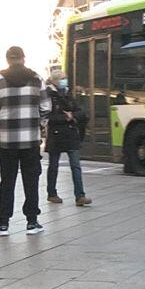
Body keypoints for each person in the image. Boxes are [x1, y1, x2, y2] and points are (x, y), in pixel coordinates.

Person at [0, 46, 51, 236]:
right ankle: (32, 222)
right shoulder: (36, 79)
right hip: (30, 139)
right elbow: (46, 107)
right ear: (23, 58)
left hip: (7, 141)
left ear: (8, 59)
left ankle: (4, 223)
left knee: (7, 180)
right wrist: (38, 126)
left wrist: (0, 127)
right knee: (31, 180)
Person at [45, 71, 91, 207]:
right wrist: (66, 117)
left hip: (71, 134)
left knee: (76, 165)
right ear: (55, 80)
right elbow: (49, 116)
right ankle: (52, 193)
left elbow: (81, 112)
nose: (65, 80)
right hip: (56, 134)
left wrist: (72, 115)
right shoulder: (48, 95)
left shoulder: (67, 93)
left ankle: (80, 196)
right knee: (53, 165)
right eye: (62, 78)